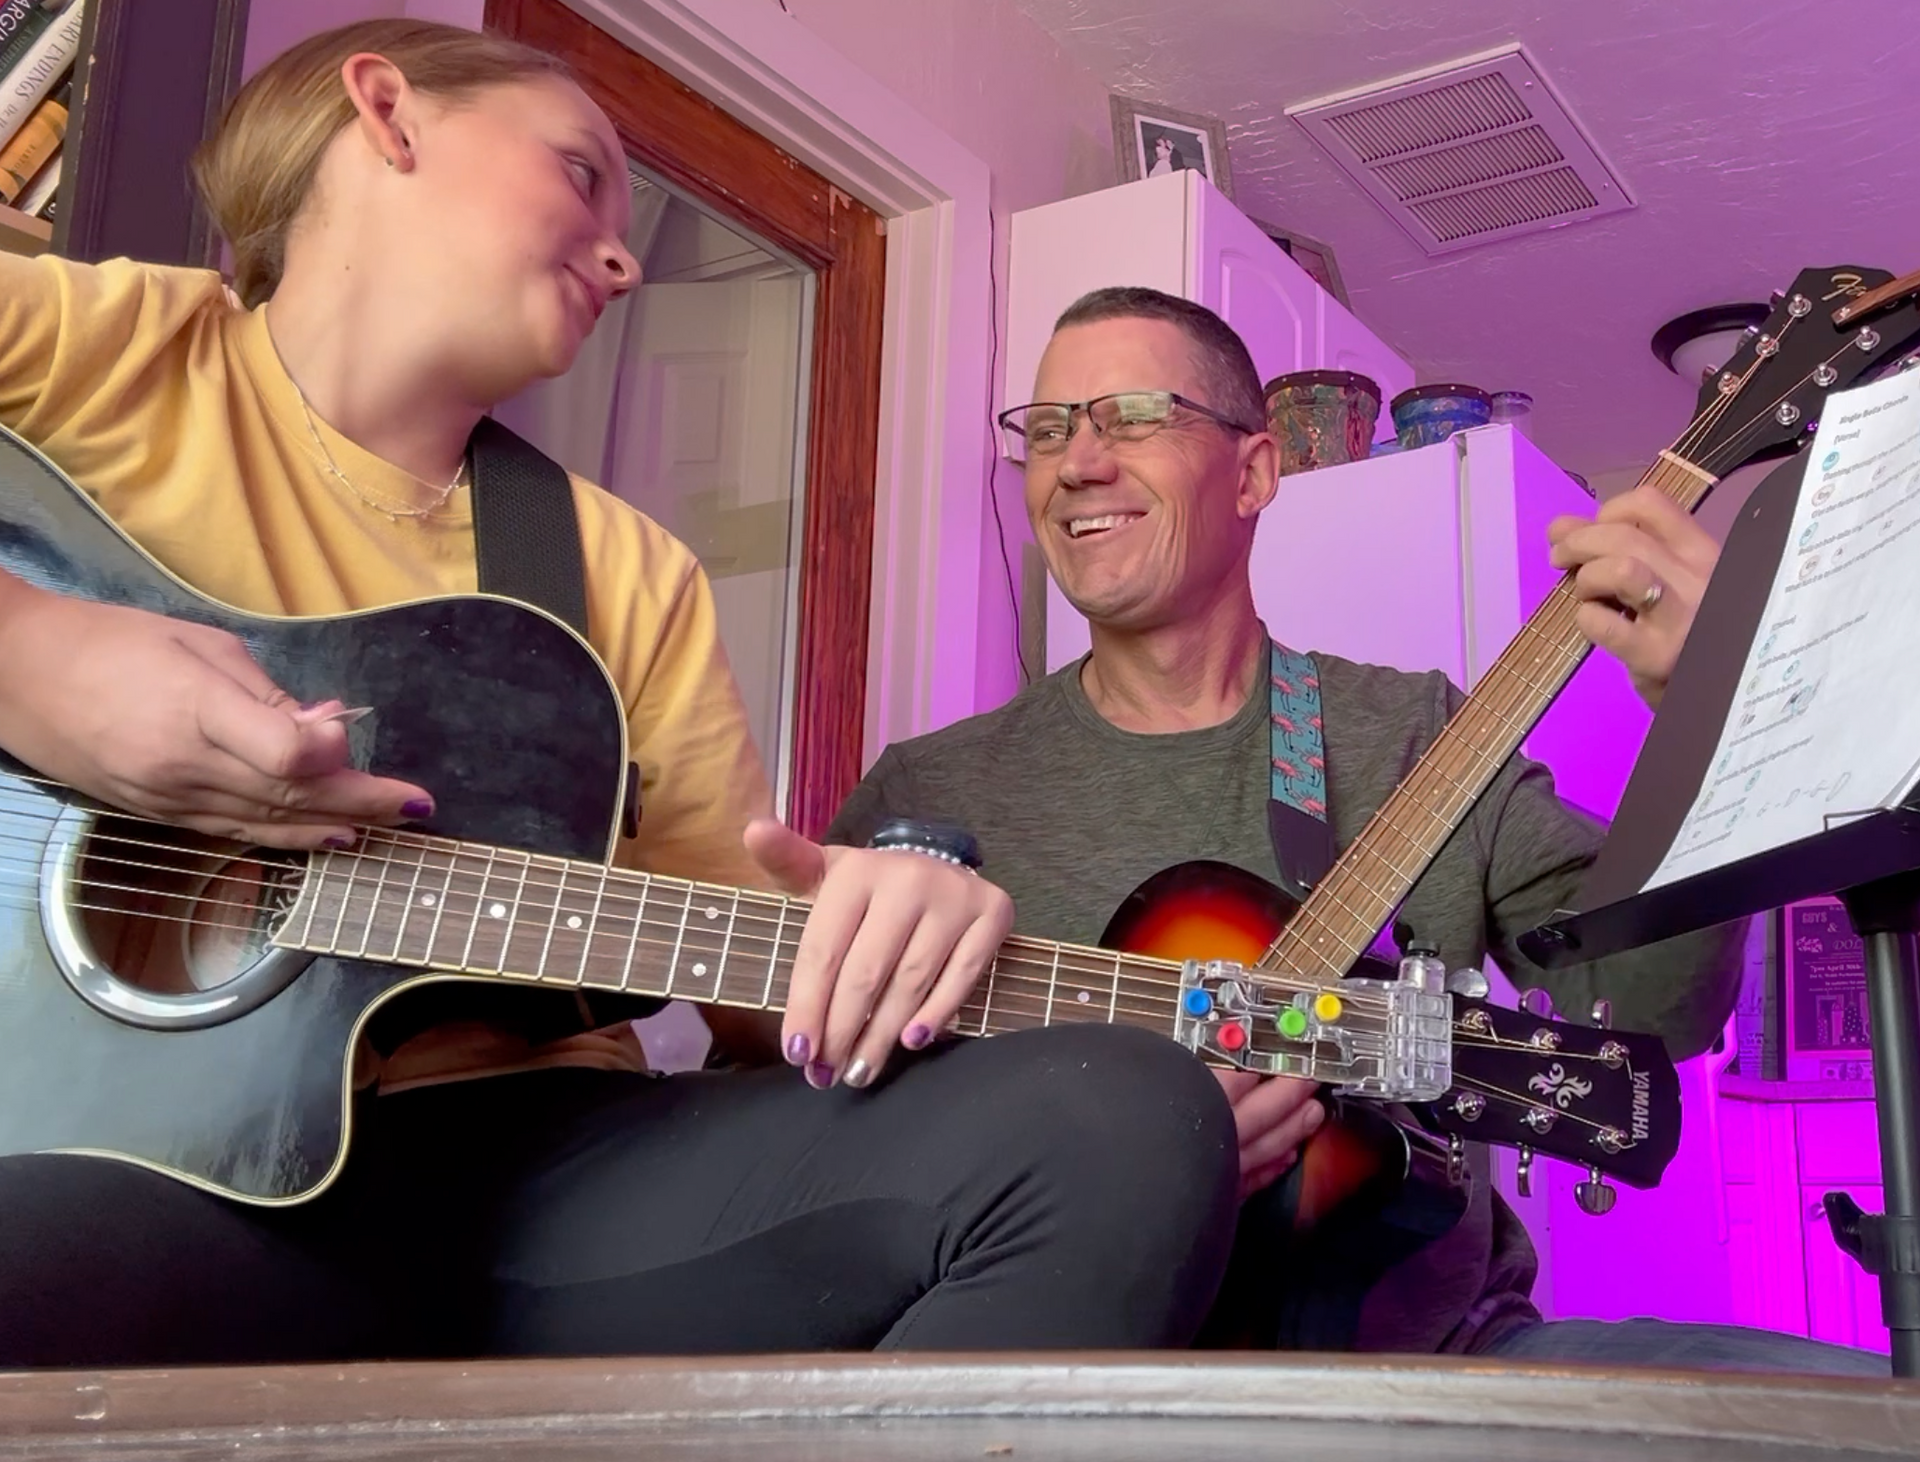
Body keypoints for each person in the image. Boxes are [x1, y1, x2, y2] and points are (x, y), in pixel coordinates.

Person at [0, 25, 1242, 1368]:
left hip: (538, 1180)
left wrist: (891, 931)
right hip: (124, 1173)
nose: (624, 253)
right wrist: (35, 660)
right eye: (580, 172)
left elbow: (757, 986)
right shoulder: (99, 347)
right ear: (389, 114)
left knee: (1128, 1116)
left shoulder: (622, 571)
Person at [826, 285, 1888, 1377]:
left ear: (1252, 473)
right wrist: (1121, 1168)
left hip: (1445, 1371)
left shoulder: (1411, 732)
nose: (1077, 461)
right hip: (1056, 1387)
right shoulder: (931, 796)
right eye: (1048, 428)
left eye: (1132, 416)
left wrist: (1709, 717)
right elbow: (802, 1144)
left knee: (1864, 1410)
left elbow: (1653, 1013)